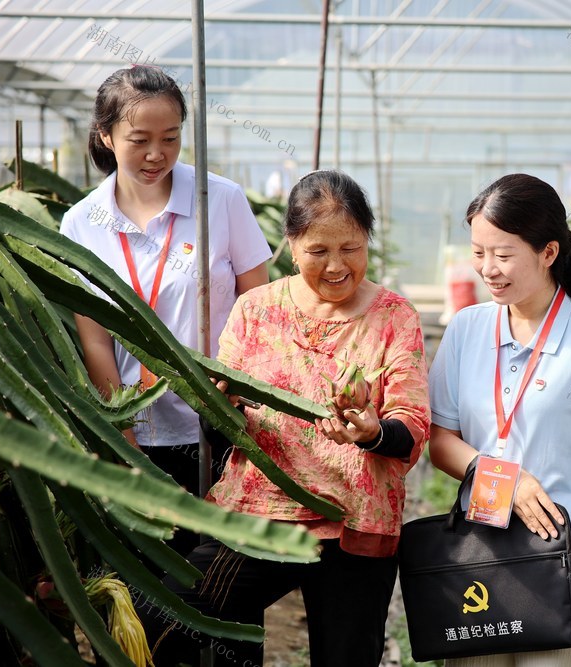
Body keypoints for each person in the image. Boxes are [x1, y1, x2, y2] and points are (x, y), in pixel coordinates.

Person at [138, 169, 431, 667]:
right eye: (319, 251)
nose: (337, 265)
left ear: (367, 241)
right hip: (258, 519)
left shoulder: (394, 316)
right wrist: (220, 406)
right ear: (291, 245)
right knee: (169, 615)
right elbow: (220, 428)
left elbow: (411, 427)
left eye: (351, 248)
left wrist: (373, 432)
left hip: (355, 526)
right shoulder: (255, 310)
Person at [428, 173, 571, 666]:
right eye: (478, 253)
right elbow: (440, 439)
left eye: (504, 255)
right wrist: (502, 479)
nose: (488, 269)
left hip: (561, 576)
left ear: (549, 252)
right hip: (480, 574)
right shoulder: (467, 329)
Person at [59, 66, 271, 555]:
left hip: (223, 423)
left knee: (224, 584)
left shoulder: (220, 200)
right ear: (106, 136)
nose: (157, 154)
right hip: (138, 428)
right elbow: (94, 339)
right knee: (153, 581)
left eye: (171, 138)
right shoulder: (81, 224)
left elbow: (260, 308)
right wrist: (124, 442)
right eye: (140, 140)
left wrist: (238, 387)